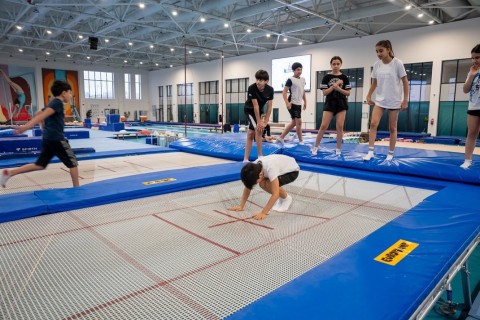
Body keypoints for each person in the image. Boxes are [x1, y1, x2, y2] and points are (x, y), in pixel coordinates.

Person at [0, 80, 79, 188]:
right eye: (70, 93)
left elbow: (39, 113)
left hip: (48, 139)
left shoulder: (52, 103)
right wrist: (26, 127)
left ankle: (10, 173)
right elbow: (41, 116)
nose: (71, 96)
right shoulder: (58, 103)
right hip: (57, 139)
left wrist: (44, 130)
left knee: (40, 165)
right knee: (73, 163)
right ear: (63, 93)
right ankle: (78, 190)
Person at [363, 40, 409, 162]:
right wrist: (368, 95)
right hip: (380, 99)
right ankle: (370, 151)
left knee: (392, 128)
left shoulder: (397, 63)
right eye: (377, 51)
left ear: (388, 49)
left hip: (394, 100)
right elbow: (375, 82)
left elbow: (405, 82)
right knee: (373, 124)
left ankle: (390, 153)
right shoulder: (377, 65)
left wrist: (405, 99)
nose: (378, 53)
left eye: (381, 50)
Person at [227, 154, 300, 220]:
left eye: (255, 182)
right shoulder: (254, 167)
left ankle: (287, 199)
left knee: (268, 184)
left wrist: (263, 212)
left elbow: (275, 194)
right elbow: (248, 186)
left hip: (292, 171)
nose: (255, 184)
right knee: (262, 183)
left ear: (260, 175)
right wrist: (241, 206)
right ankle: (282, 198)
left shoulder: (271, 168)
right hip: (282, 165)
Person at [311, 56, 351, 156]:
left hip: (341, 103)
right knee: (323, 126)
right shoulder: (326, 77)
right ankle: (315, 147)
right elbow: (325, 93)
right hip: (330, 103)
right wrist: (334, 86)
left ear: (341, 65)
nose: (336, 66)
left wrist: (338, 88)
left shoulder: (344, 77)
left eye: (338, 64)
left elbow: (348, 93)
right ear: (331, 65)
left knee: (340, 127)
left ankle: (338, 149)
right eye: (334, 64)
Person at [243, 70, 274, 162]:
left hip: (259, 111)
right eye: (257, 79)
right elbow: (255, 106)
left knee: (251, 133)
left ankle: (252, 158)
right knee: (258, 130)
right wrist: (260, 122)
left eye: (260, 80)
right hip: (249, 109)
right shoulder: (252, 88)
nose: (258, 82)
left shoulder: (270, 90)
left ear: (266, 81)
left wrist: (266, 121)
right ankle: (255, 157)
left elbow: (269, 106)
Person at [277, 62, 307, 145]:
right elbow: (284, 92)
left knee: (294, 122)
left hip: (299, 103)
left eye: (301, 69)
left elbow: (303, 91)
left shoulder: (303, 79)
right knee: (299, 122)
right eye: (298, 70)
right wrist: (287, 102)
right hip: (292, 103)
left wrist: (305, 101)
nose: (300, 71)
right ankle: (301, 141)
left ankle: (281, 137)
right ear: (293, 70)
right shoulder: (290, 80)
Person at [460, 44, 480, 169]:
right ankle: (467, 160)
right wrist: (472, 75)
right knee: (471, 134)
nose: (474, 60)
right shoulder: (471, 71)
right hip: (473, 106)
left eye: (477, 57)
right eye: (472, 58)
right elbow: (465, 90)